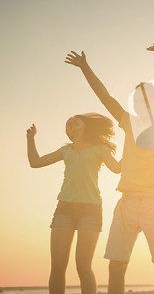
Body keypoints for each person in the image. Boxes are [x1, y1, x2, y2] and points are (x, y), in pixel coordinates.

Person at [65, 40, 154, 294]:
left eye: (146, 97)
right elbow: (104, 96)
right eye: (137, 98)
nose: (140, 102)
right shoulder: (129, 122)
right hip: (126, 203)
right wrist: (85, 67)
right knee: (116, 267)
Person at [26, 113, 121, 294]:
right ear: (68, 132)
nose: (72, 122)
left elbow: (116, 168)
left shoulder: (100, 148)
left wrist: (135, 150)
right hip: (64, 209)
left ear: (86, 125)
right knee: (58, 265)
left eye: (76, 119)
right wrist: (30, 139)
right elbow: (35, 162)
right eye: (68, 123)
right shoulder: (65, 150)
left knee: (83, 267)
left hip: (90, 211)